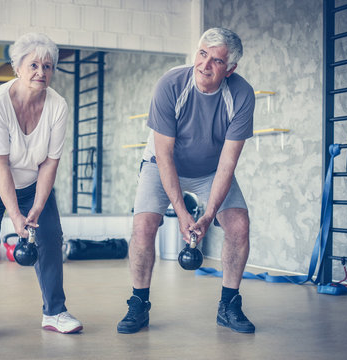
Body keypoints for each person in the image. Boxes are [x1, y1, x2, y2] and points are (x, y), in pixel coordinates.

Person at [117, 28, 256, 334]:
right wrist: (182, 214)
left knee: (238, 225)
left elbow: (228, 163)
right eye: (202, 53)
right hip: (163, 164)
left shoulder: (242, 95)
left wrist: (207, 215)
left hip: (211, 169)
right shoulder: (171, 84)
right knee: (143, 227)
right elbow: (164, 156)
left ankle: (228, 305)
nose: (205, 65)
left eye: (216, 60)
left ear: (230, 69)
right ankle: (139, 303)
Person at [0, 32, 82, 341]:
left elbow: (50, 163)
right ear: (18, 68)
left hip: (31, 183)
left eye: (48, 66)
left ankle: (55, 312)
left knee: (51, 236)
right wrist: (15, 215)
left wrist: (36, 209)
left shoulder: (58, 106)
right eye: (34, 65)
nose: (42, 73)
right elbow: (1, 167)